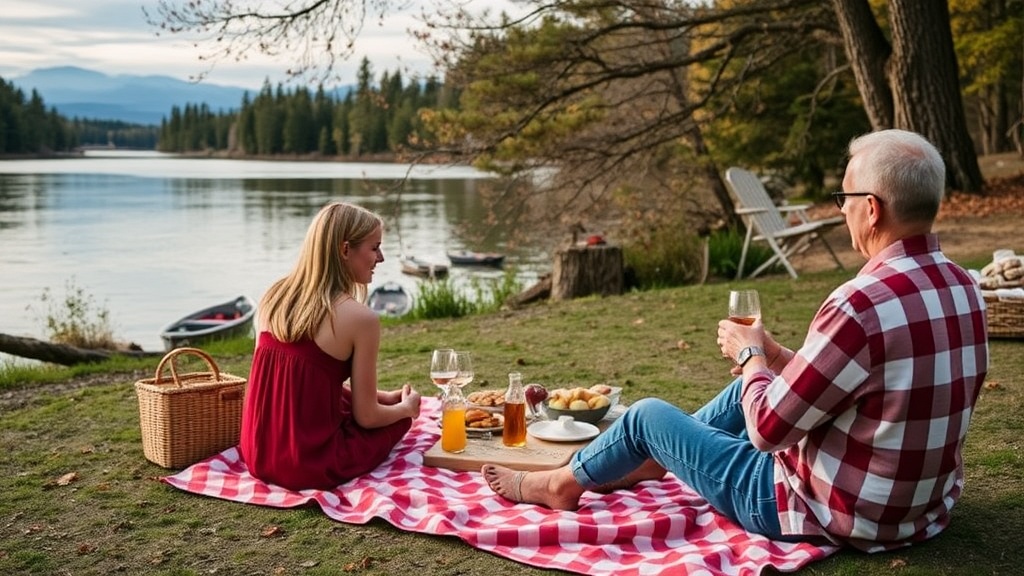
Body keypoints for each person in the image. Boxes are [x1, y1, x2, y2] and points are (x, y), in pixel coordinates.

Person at [482, 129, 989, 552]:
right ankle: (649, 462)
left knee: (648, 414)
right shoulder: (967, 286)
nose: (841, 212)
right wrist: (775, 358)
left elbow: (769, 431)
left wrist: (750, 357)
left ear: (872, 210)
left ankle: (558, 484)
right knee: (736, 394)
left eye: (844, 199)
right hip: (917, 509)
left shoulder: (860, 303)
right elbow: (877, 386)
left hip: (829, 509)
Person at [240, 202, 421, 490]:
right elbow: (368, 417)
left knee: (360, 404)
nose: (381, 258)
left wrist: (384, 396)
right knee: (395, 423)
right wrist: (406, 410)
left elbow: (297, 383)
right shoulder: (361, 319)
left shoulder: (273, 295)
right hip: (307, 466)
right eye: (375, 248)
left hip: (257, 454)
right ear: (345, 250)